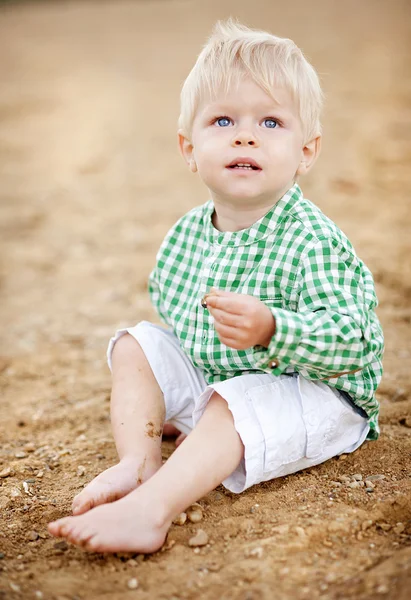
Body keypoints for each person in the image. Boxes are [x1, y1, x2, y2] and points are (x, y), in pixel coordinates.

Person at [48, 20, 384, 553]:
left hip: (318, 395)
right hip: (227, 379)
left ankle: (149, 510)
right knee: (138, 342)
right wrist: (183, 379)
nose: (245, 135)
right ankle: (138, 463)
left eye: (271, 122)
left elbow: (355, 342)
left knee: (236, 399)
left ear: (306, 152)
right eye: (223, 119)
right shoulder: (186, 234)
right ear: (189, 147)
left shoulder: (313, 240)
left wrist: (274, 328)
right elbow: (178, 318)